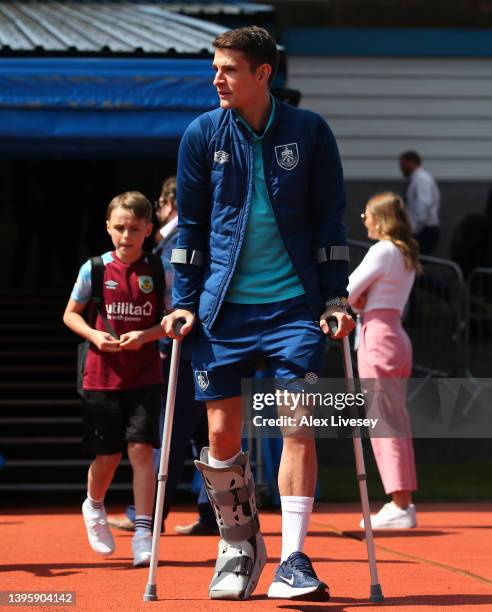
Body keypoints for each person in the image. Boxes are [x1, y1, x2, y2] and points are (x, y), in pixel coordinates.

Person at [162, 26, 354, 601]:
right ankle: (239, 545)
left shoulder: (310, 132)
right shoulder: (201, 134)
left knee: (298, 421)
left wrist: (335, 297)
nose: (216, 78)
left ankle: (294, 558)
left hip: (295, 305)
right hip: (223, 307)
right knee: (221, 436)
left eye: (228, 69)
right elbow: (191, 229)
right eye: (215, 68)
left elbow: (330, 222)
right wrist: (182, 302)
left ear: (262, 73)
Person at [109, 177, 217, 536]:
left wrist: (153, 337)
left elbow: (173, 301)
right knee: (209, 436)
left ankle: (148, 513)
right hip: (203, 348)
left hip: (182, 348)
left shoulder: (179, 238)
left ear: (168, 204)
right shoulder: (198, 235)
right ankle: (214, 513)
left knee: (167, 433)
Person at [63, 191, 165, 567]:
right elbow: (70, 314)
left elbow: (172, 320)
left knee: (141, 451)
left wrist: (146, 335)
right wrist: (93, 335)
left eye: (134, 229)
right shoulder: (95, 269)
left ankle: (143, 531)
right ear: (108, 228)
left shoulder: (157, 270)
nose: (126, 235)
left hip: (145, 373)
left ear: (148, 230)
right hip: (101, 375)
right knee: (108, 456)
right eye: (120, 228)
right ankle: (94, 505)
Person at [347, 192, 421, 529]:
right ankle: (400, 501)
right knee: (394, 420)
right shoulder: (402, 252)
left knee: (384, 421)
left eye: (366, 215)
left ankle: (400, 503)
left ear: (379, 219)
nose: (364, 220)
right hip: (394, 335)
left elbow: (348, 290)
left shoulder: (383, 250)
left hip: (379, 337)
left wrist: (357, 301)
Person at [399, 151, 440, 255]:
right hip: (422, 229)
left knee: (416, 265)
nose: (401, 168)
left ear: (411, 162)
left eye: (403, 164)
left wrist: (414, 230)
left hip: (424, 230)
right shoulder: (418, 178)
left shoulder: (421, 179)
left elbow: (424, 204)